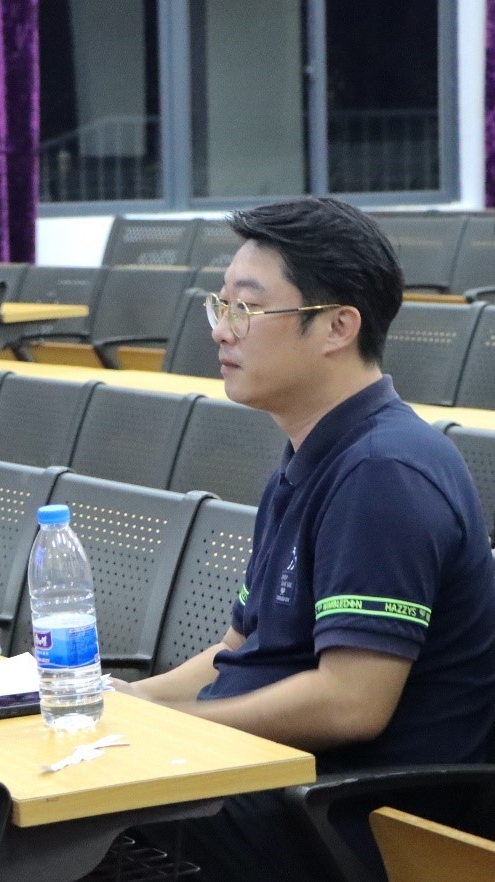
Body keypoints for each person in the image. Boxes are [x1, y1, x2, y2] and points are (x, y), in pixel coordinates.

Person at [120, 198, 495, 880]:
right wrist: (129, 701)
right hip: (275, 780)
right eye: (220, 305)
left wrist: (170, 731)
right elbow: (239, 649)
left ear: (337, 327)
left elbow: (351, 703)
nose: (221, 330)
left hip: (345, 815)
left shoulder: (385, 472)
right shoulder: (311, 455)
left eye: (246, 308)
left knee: (68, 819)